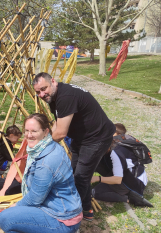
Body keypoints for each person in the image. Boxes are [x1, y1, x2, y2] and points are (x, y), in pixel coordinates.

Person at [33, 72, 115, 220]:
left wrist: (42, 148)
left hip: (97, 138)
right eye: (38, 92)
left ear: (53, 81)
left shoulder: (66, 96)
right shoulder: (53, 97)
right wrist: (47, 140)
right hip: (82, 137)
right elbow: (57, 124)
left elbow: (61, 133)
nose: (42, 94)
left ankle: (70, 215)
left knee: (80, 177)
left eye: (44, 88)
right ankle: (86, 209)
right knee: (74, 173)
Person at [0, 113, 82, 233]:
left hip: (62, 218)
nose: (29, 135)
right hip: (58, 209)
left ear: (46, 131)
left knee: (5, 218)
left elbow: (35, 198)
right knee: (12, 227)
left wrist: (16, 206)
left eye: (34, 131)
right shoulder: (48, 147)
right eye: (26, 130)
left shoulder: (46, 161)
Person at [91, 123, 153, 207]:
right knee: (98, 163)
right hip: (132, 174)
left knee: (95, 192)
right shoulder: (118, 141)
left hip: (134, 182)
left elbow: (117, 180)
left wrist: (97, 178)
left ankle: (130, 198)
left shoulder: (116, 153)